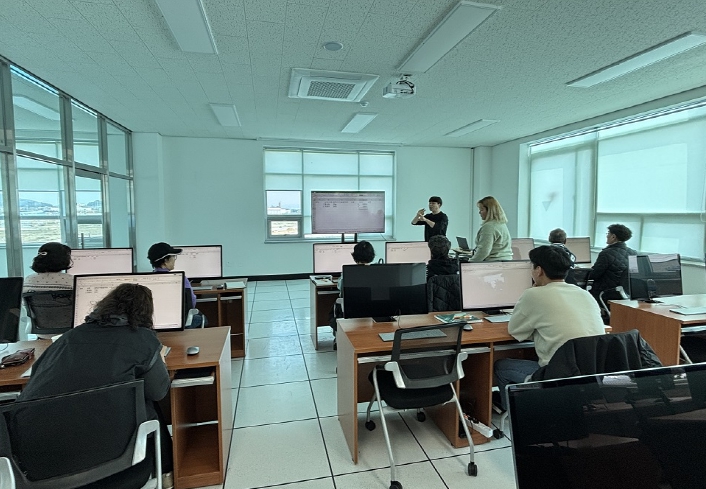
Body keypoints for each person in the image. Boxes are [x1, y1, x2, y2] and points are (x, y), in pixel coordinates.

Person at [16, 283, 174, 488]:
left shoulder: (68, 338)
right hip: (115, 464)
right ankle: (168, 472)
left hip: (36, 464)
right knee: (146, 402)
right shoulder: (143, 340)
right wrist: (159, 360)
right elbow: (158, 391)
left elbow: (36, 376)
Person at [494, 245, 605, 409]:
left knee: (501, 366)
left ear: (539, 270)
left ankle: (515, 415)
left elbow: (516, 331)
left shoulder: (534, 294)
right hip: (592, 376)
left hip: (557, 377)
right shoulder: (584, 294)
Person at [148, 242, 205, 328]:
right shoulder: (181, 279)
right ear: (165, 261)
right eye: (173, 256)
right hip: (178, 322)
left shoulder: (147, 280)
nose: (174, 259)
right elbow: (191, 303)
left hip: (155, 322)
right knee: (201, 318)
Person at [330, 241, 375, 349]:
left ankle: (338, 337)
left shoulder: (348, 273)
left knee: (335, 305)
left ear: (354, 256)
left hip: (351, 311)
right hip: (373, 311)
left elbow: (341, 289)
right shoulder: (377, 272)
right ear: (372, 255)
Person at [588, 224, 637, 301]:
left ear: (613, 237)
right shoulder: (633, 253)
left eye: (608, 233)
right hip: (624, 294)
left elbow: (594, 275)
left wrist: (580, 272)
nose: (607, 236)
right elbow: (634, 274)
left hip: (604, 293)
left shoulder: (606, 253)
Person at [469, 196, 512, 261]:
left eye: (481, 210)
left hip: (492, 263)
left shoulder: (489, 227)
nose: (479, 212)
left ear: (489, 211)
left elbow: (484, 251)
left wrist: (470, 262)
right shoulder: (501, 224)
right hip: (506, 262)